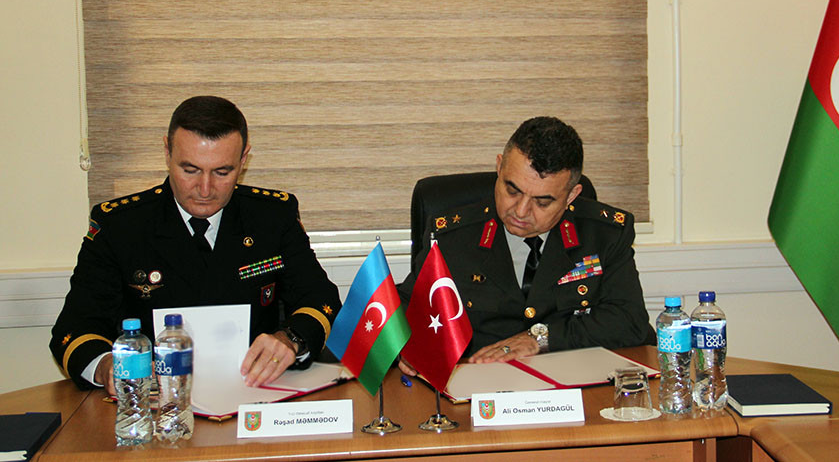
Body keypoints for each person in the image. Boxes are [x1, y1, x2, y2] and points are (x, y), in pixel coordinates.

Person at [50, 96, 342, 393]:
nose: (205, 189)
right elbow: (75, 329)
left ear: (244, 160)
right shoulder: (121, 226)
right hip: (155, 400)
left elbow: (320, 300)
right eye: (190, 170)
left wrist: (289, 340)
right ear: (167, 152)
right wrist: (106, 367)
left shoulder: (271, 217)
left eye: (222, 172)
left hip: (256, 392)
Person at [398, 116, 654, 369]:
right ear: (499, 167)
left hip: (575, 383)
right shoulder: (451, 238)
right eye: (512, 190)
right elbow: (408, 314)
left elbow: (629, 321)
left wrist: (540, 338)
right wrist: (407, 349)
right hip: (480, 384)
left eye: (542, 202)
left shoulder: (604, 235)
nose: (520, 211)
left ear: (571, 196)